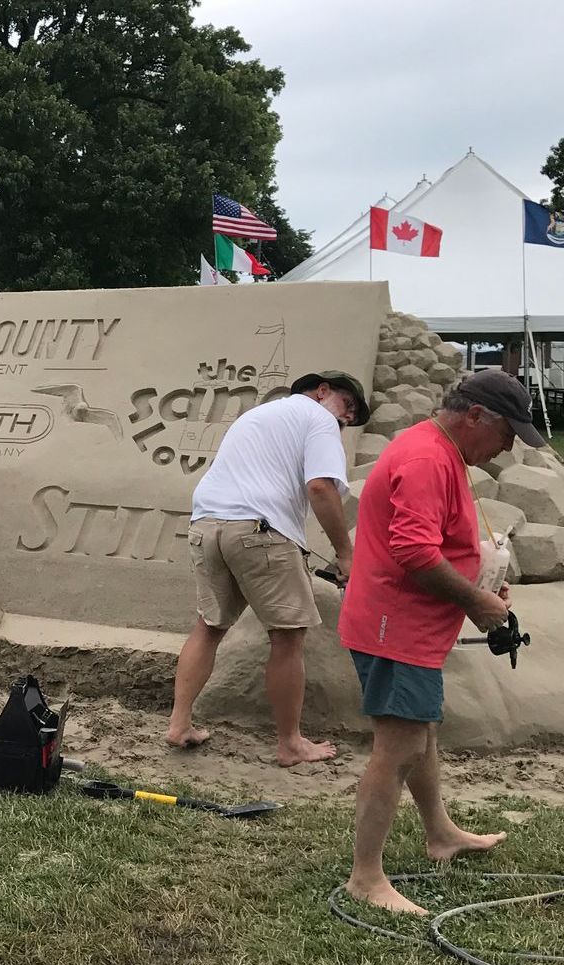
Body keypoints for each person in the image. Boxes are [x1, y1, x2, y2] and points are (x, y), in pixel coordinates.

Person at [339, 369, 542, 915]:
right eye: (506, 434)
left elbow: (437, 544)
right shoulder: (429, 458)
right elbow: (413, 552)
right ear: (475, 415)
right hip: (395, 626)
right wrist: (477, 602)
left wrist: (478, 582)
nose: (506, 447)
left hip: (412, 625)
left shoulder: (443, 450)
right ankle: (366, 877)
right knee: (399, 745)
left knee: (419, 732)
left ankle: (441, 833)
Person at [164, 370, 369, 766]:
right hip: (259, 531)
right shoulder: (319, 418)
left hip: (206, 524)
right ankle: (290, 743)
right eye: (348, 407)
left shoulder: (257, 416)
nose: (346, 419)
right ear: (322, 391)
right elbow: (321, 487)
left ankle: (179, 724)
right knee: (288, 637)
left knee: (208, 626)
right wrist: (347, 554)